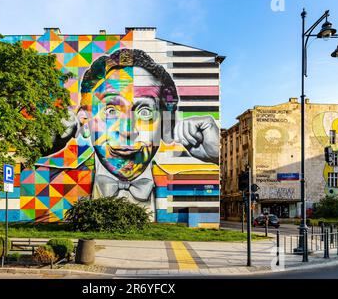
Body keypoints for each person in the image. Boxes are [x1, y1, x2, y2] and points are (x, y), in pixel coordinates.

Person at [31, 48, 219, 218]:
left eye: (144, 112)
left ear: (167, 123)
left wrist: (218, 156)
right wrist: (38, 146)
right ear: (85, 121)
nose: (128, 131)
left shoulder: (186, 188)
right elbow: (5, 181)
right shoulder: (43, 184)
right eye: (111, 111)